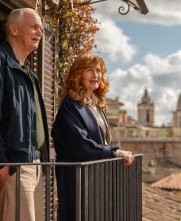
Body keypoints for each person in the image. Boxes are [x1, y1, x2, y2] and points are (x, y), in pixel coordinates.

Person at [0, 8, 49, 221]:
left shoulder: (31, 75)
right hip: (15, 168)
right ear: (14, 29)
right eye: (33, 27)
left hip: (35, 166)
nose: (39, 33)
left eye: (41, 29)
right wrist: (0, 164)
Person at [51, 53, 134, 220]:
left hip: (96, 178)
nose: (96, 75)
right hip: (78, 180)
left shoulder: (97, 106)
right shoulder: (70, 106)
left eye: (98, 70)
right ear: (78, 74)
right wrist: (114, 153)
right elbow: (81, 145)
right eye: (89, 70)